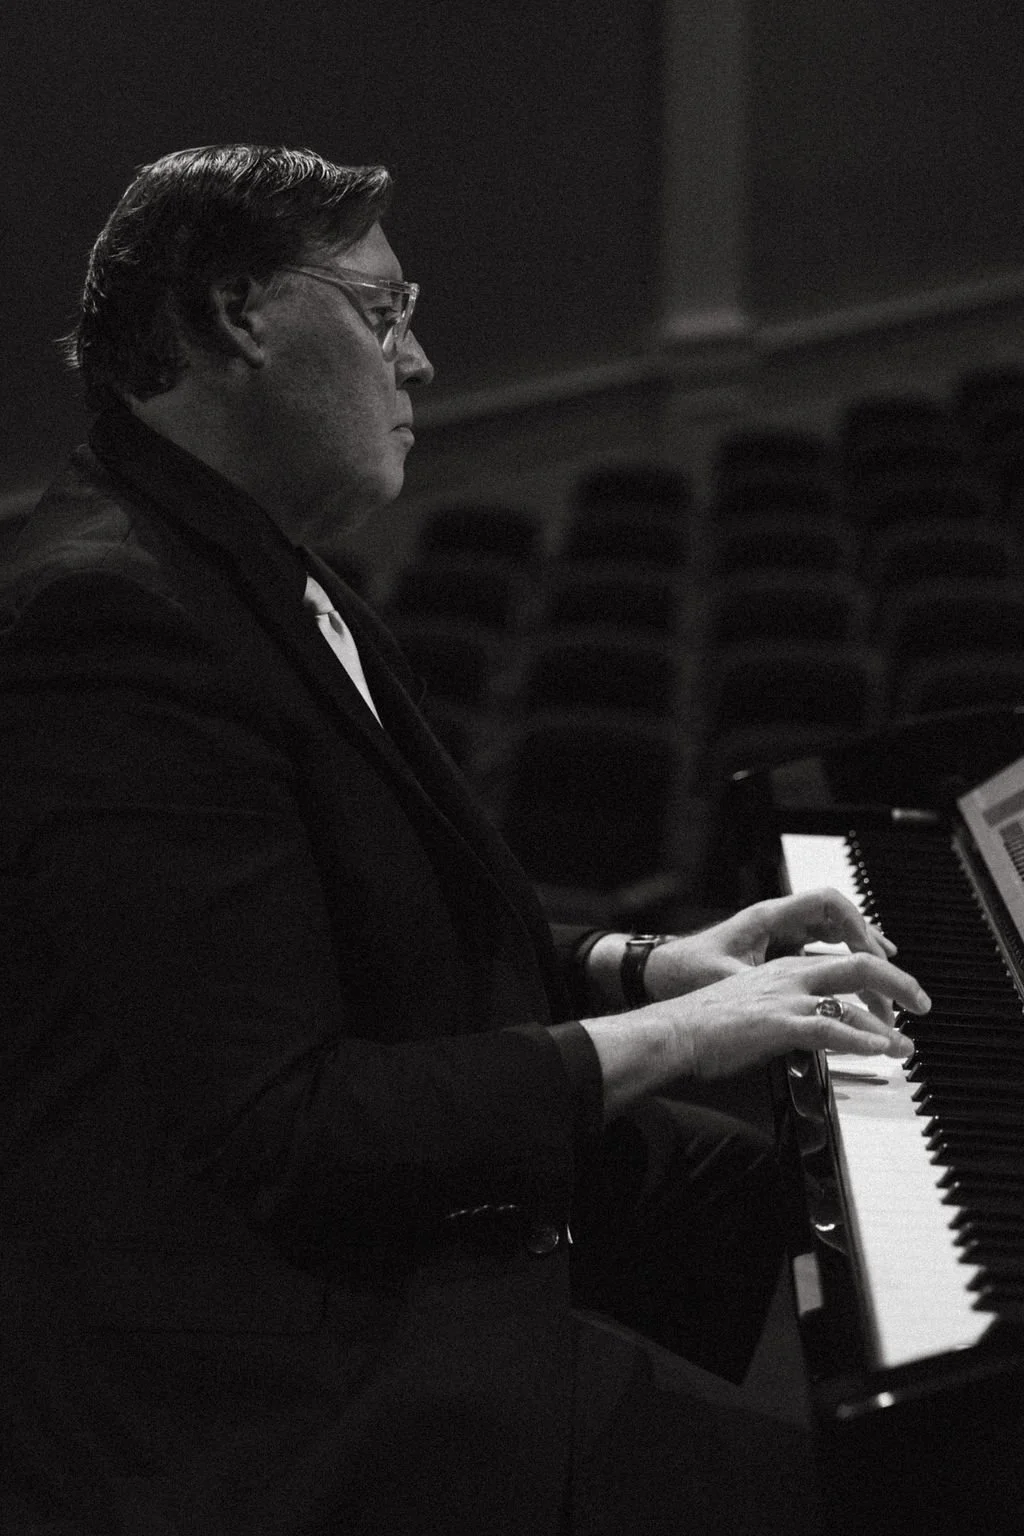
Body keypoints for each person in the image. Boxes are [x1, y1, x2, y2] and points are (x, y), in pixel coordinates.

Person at [0, 144, 930, 1536]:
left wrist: (654, 967)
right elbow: (291, 1125)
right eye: (382, 313)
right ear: (238, 315)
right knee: (817, 1478)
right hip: (247, 1382)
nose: (422, 361)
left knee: (735, 1180)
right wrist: (692, 1038)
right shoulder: (111, 622)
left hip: (311, 1270)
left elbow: (381, 932)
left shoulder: (239, 555)